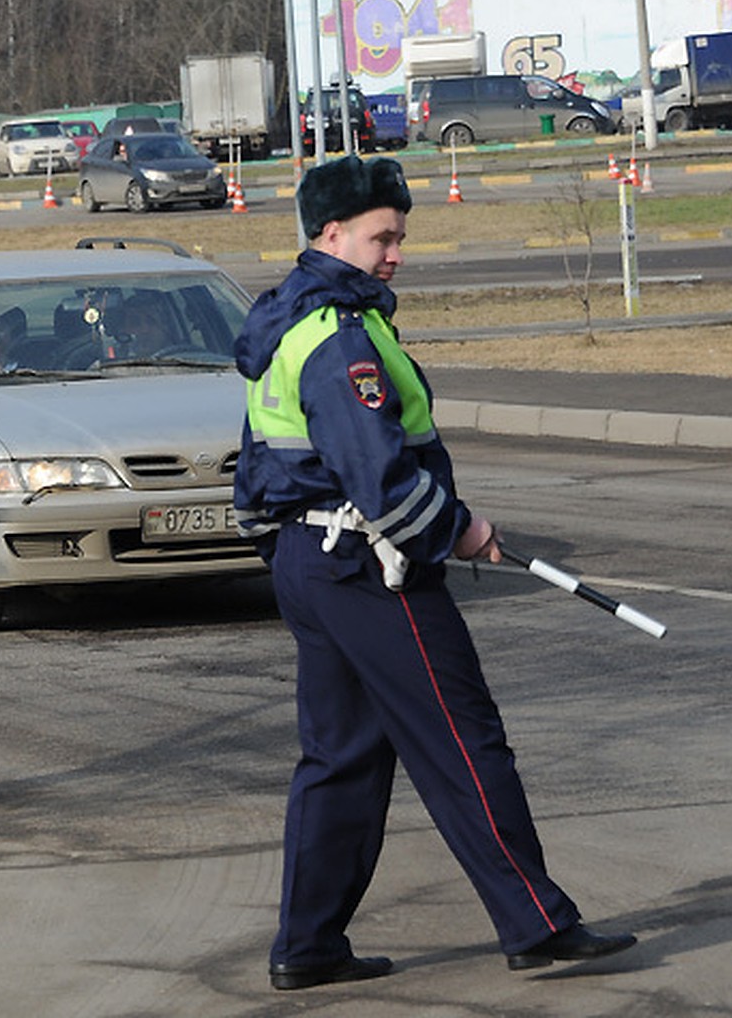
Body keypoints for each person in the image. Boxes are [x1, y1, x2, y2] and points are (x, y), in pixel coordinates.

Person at [233, 155, 636, 992]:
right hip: (368, 564)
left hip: (316, 563)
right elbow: (378, 477)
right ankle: (535, 921)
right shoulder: (341, 338)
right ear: (331, 234)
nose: (396, 254)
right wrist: (460, 531)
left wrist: (288, 556)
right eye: (383, 237)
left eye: (401, 237)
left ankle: (307, 946)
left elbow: (256, 471)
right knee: (463, 739)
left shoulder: (292, 320)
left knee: (340, 756)